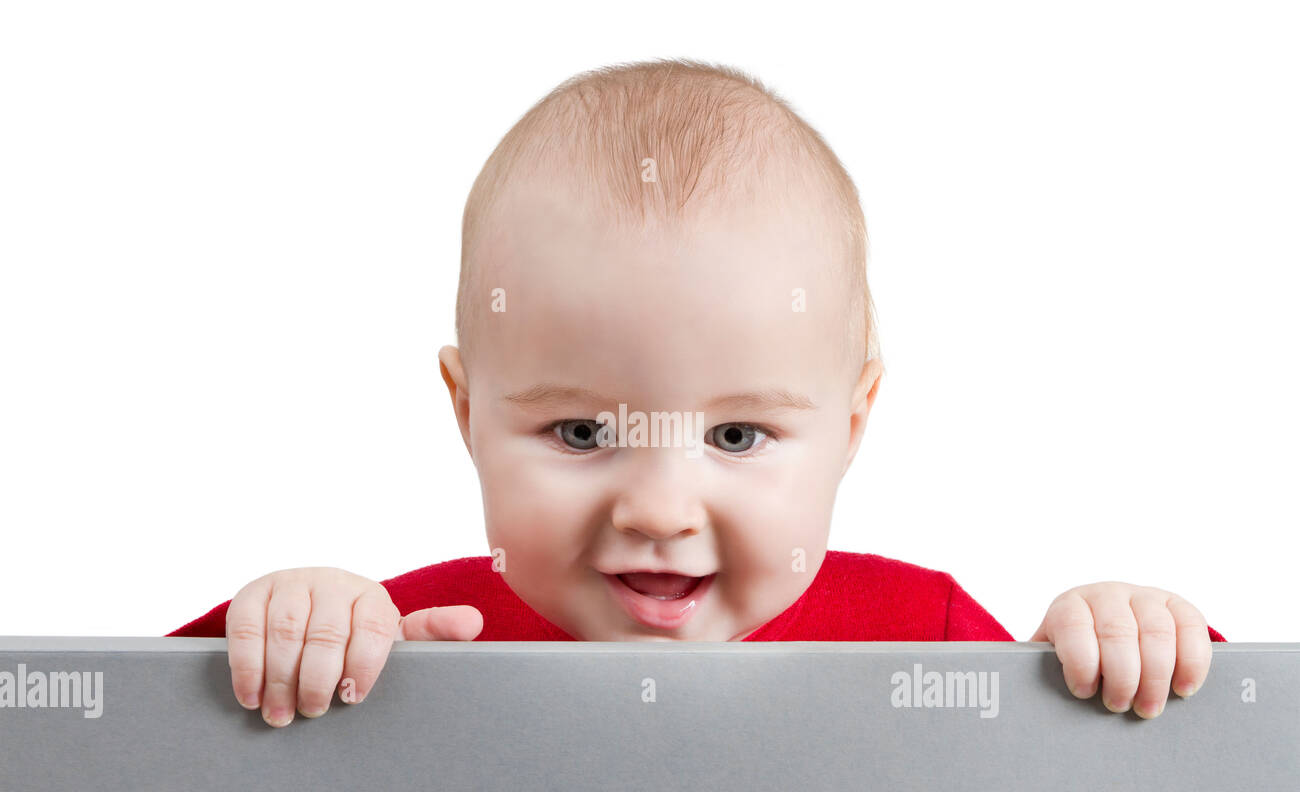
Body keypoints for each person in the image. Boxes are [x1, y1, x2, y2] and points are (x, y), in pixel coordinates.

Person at [168, 59, 1226, 728]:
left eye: (737, 431)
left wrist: (1126, 649)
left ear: (851, 425)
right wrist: (283, 637)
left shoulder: (926, 636)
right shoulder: (408, 646)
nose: (660, 507)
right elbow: (111, 765)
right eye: (580, 429)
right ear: (466, 413)